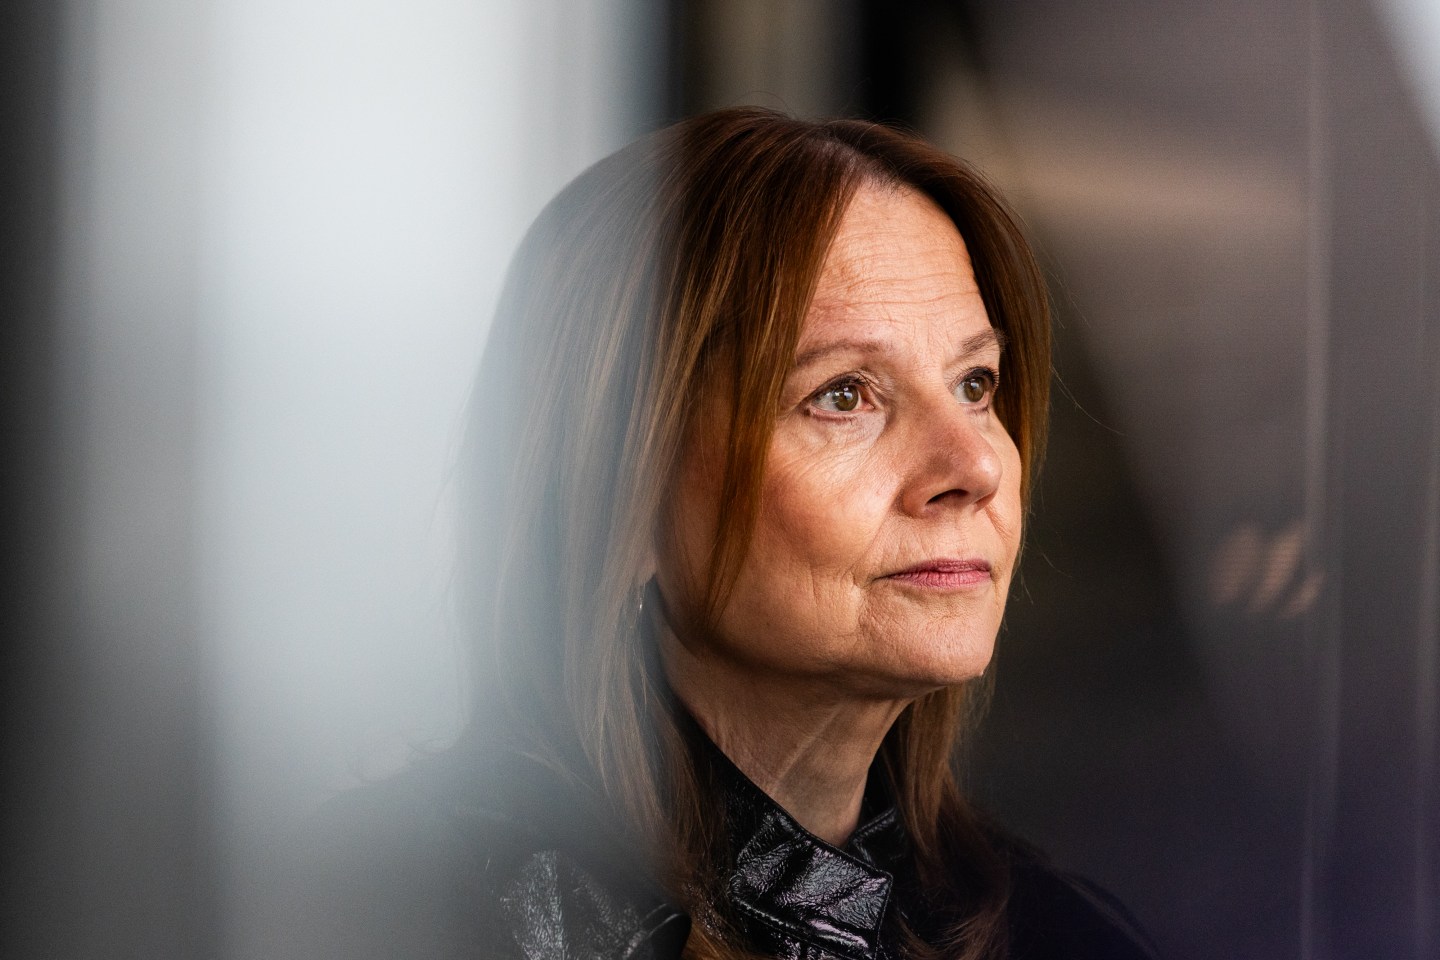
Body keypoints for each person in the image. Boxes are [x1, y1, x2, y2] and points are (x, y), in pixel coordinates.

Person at [269, 108, 1158, 960]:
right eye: (843, 395)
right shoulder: (380, 918)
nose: (977, 467)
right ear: (621, 491)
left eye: (975, 383)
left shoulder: (1057, 938)